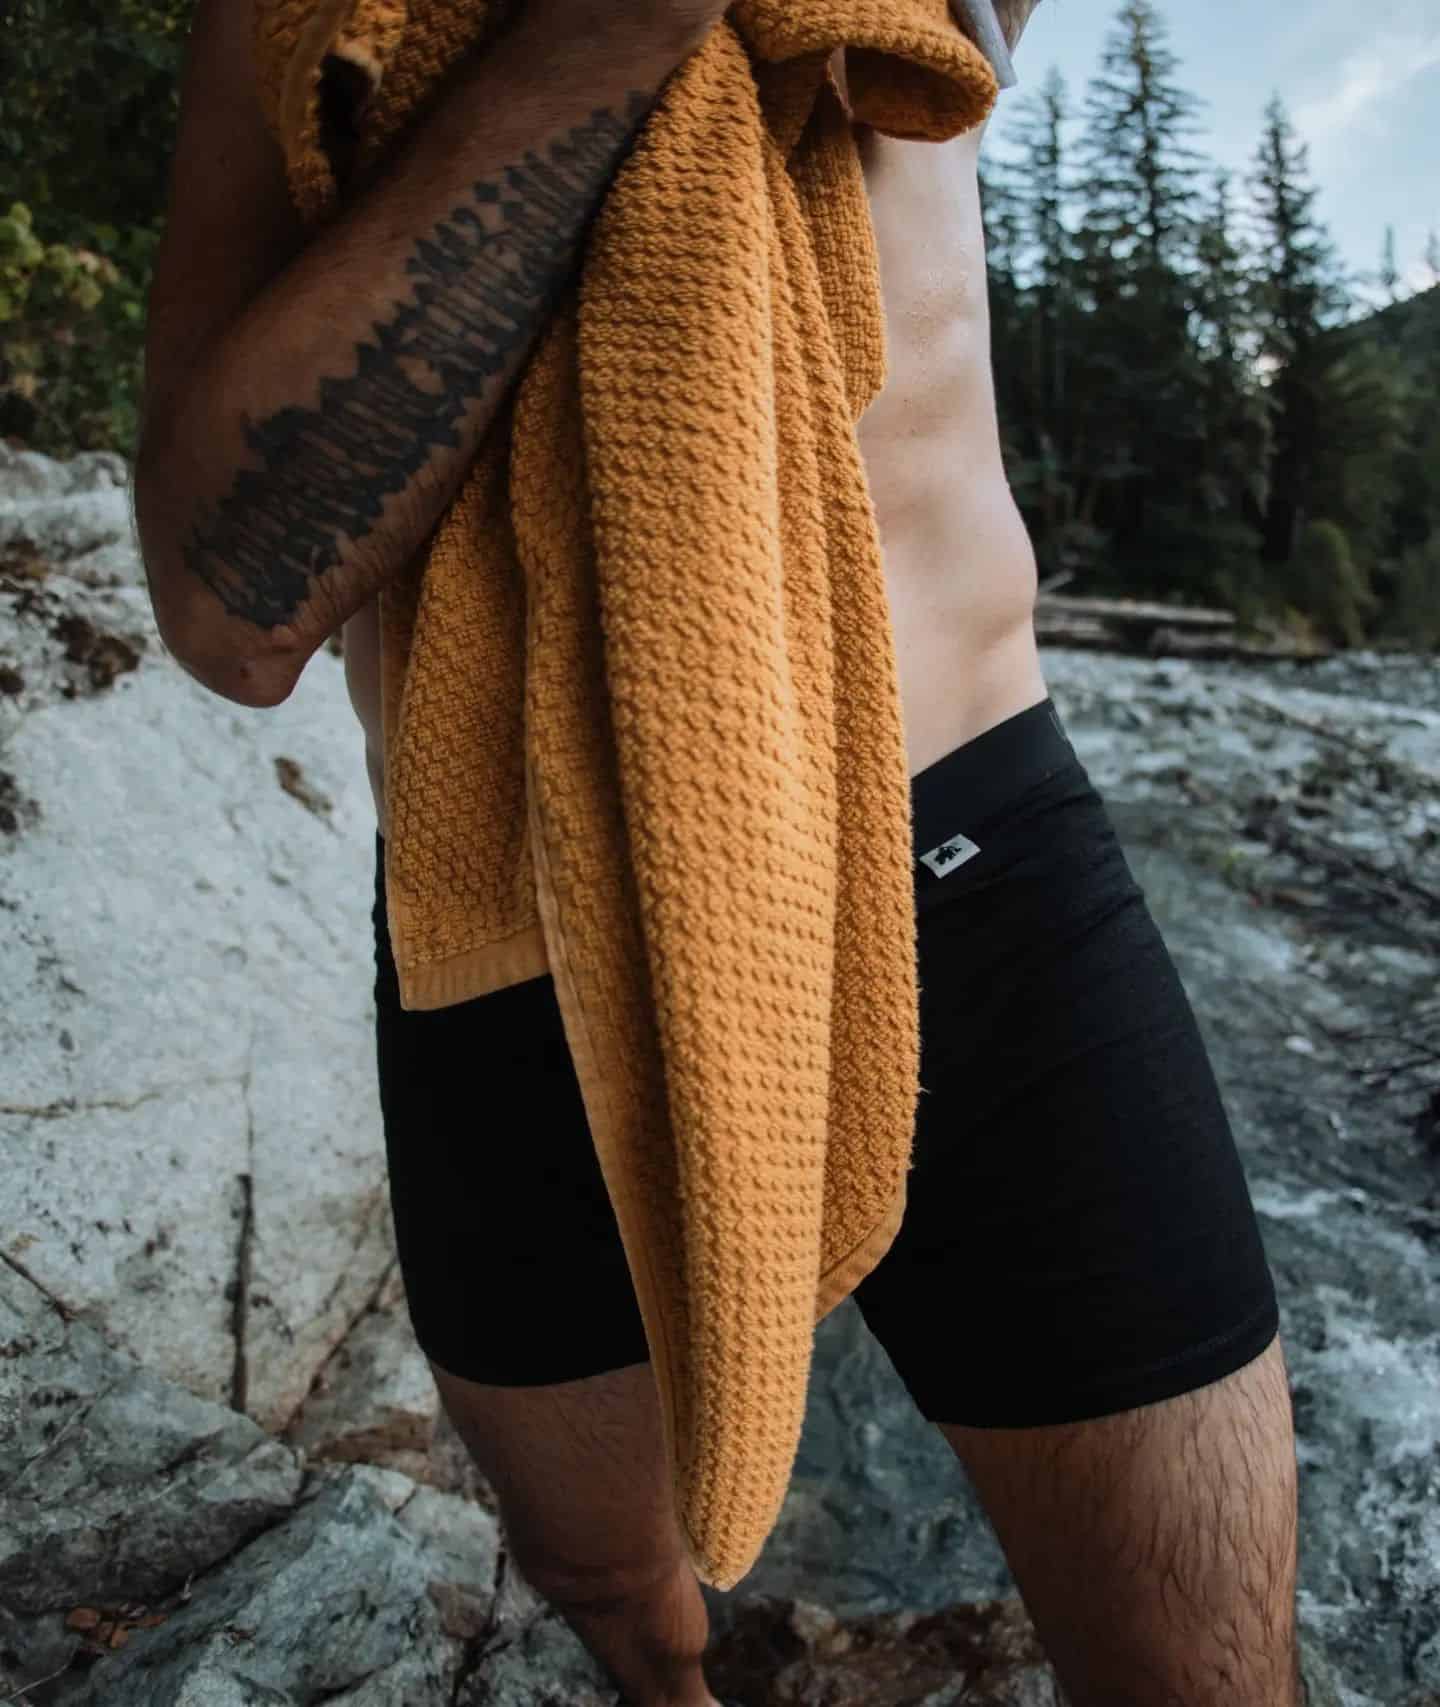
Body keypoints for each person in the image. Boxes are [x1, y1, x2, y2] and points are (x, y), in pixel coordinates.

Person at [133, 1, 1304, 1702]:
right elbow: (222, 611)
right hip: (505, 925)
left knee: (1201, 1666)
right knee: (615, 1587)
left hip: (966, 846)